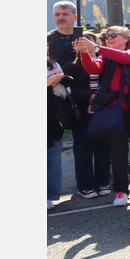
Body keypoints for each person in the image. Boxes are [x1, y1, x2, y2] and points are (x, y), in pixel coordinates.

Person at [75, 26, 130, 207]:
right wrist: (85, 53)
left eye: (113, 35)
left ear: (126, 38)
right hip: (114, 111)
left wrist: (96, 48)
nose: (108, 38)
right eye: (106, 36)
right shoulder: (105, 56)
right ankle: (120, 191)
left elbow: (127, 58)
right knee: (118, 154)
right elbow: (92, 68)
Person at [48, 1, 110, 200]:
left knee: (102, 143)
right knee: (81, 143)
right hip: (66, 99)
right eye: (57, 14)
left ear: (75, 16)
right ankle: (83, 185)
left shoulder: (85, 38)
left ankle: (103, 181)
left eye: (65, 13)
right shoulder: (48, 40)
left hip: (98, 101)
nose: (60, 17)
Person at [47, 49, 75, 210]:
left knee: (52, 158)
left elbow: (66, 93)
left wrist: (59, 82)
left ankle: (49, 196)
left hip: (53, 117)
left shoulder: (54, 66)